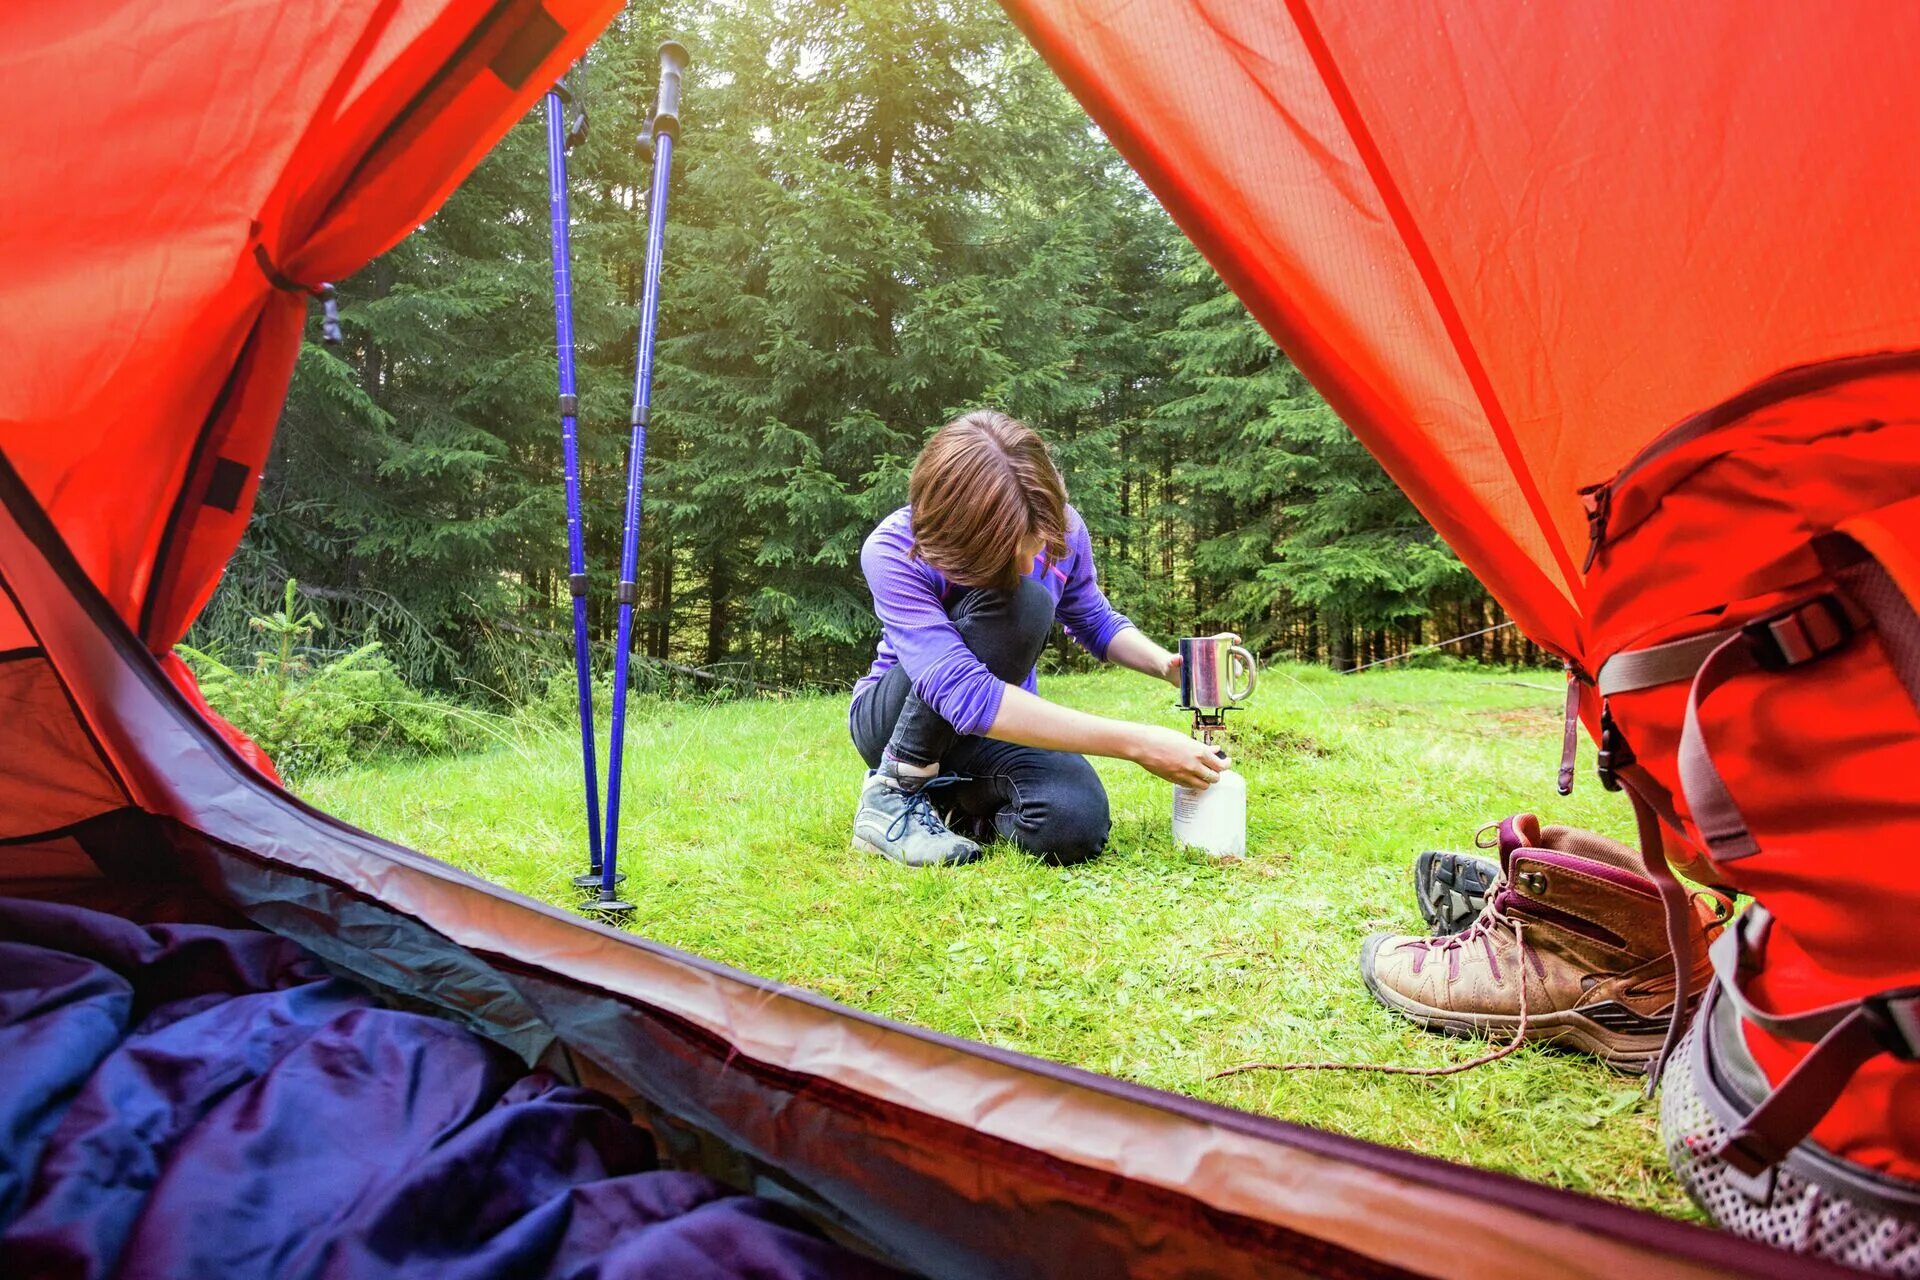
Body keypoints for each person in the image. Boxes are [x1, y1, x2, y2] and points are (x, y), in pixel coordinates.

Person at [849, 410, 1230, 867]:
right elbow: (959, 690)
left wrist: (1164, 665)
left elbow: (1094, 618)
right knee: (1023, 602)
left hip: (996, 725)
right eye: (1010, 554)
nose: (1032, 566)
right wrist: (1140, 743)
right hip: (894, 723)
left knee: (1073, 824)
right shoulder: (893, 548)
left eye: (1035, 545)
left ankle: (948, 810)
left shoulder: (1058, 526)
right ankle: (893, 793)